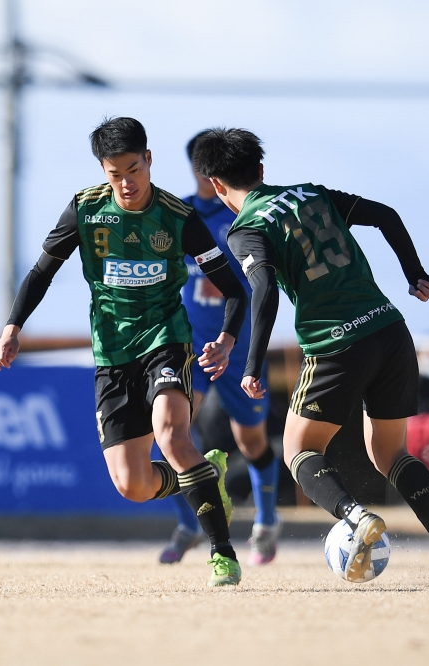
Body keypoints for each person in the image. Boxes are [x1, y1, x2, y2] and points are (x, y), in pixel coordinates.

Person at [193, 127, 429, 586]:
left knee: (298, 450)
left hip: (336, 342)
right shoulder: (313, 194)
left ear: (216, 185)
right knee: (390, 453)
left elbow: (262, 288)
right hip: (390, 329)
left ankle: (357, 518)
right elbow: (386, 214)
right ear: (261, 171)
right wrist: (415, 273)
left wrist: (251, 363)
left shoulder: (246, 228)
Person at [0, 117, 249, 587]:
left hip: (165, 342)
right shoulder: (85, 210)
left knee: (172, 437)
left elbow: (234, 288)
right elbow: (41, 272)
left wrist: (228, 338)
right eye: (115, 174)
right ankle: (205, 473)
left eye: (134, 169)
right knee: (133, 486)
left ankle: (222, 552)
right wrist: (12, 327)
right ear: (102, 171)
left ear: (149, 160)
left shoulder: (179, 217)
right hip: (111, 355)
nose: (126, 184)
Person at [159, 131, 280, 566]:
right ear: (198, 170)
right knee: (171, 432)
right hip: (189, 344)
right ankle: (190, 524)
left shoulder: (248, 212)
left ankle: (266, 523)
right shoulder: (176, 214)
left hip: (240, 344)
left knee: (251, 441)